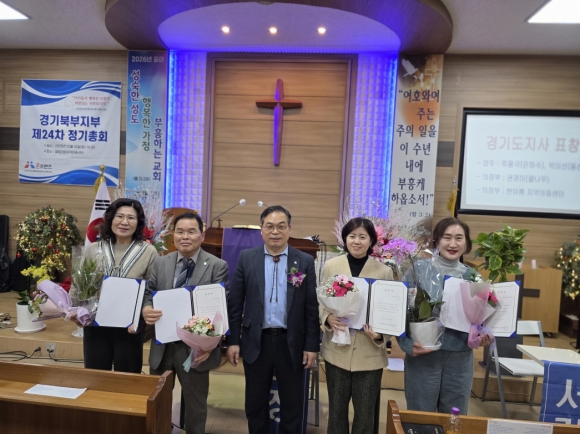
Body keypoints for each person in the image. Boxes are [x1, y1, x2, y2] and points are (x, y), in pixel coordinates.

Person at [226, 205, 319, 434]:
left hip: (291, 343)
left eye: (281, 226)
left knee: (293, 404)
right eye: (269, 226)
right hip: (256, 341)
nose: (275, 231)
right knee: (255, 403)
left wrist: (311, 345)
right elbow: (235, 304)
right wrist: (233, 341)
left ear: (289, 229)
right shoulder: (247, 258)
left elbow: (311, 307)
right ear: (261, 229)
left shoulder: (304, 261)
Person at [142, 212, 229, 434]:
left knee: (195, 406)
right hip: (163, 346)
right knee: (157, 402)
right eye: (180, 232)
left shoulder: (217, 265)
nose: (185, 236)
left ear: (202, 235)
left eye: (191, 231)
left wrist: (210, 343)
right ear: (173, 235)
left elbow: (221, 308)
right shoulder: (161, 263)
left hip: (196, 350)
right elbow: (149, 293)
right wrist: (146, 308)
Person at [397, 217, 490, 414]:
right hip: (423, 355)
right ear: (437, 240)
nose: (453, 244)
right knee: (420, 415)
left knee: (454, 416)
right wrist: (406, 344)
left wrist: (484, 335)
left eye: (459, 238)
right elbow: (399, 311)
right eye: (447, 237)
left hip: (459, 359)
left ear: (467, 243)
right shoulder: (418, 270)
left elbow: (481, 321)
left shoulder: (473, 277)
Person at [320, 217, 393, 434]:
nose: (357, 241)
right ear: (345, 239)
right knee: (336, 412)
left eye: (363, 236)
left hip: (369, 355)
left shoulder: (383, 271)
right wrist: (327, 318)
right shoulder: (332, 266)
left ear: (371, 241)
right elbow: (320, 301)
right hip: (337, 352)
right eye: (352, 236)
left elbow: (390, 312)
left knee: (365, 415)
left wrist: (380, 336)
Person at [82, 198, 157, 373]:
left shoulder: (148, 252)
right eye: (120, 216)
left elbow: (152, 289)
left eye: (131, 218)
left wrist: (143, 313)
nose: (124, 222)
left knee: (127, 378)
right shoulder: (93, 249)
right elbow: (81, 286)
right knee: (96, 376)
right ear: (111, 219)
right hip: (96, 324)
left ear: (138, 223)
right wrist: (76, 311)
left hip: (129, 326)